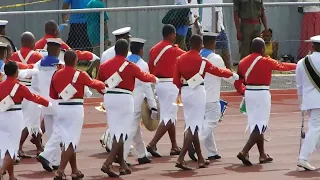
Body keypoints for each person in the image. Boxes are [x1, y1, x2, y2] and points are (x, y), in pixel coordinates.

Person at [173, 34, 238, 170]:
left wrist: (181, 92)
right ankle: (180, 158)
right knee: (194, 126)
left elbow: (175, 80)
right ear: (200, 45)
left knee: (193, 123)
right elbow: (219, 71)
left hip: (185, 92)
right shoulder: (203, 61)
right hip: (198, 93)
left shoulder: (180, 59)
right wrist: (233, 75)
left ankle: (201, 158)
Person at [98, 39, 158, 178]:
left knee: (115, 131)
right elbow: (144, 77)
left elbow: (100, 82)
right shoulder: (130, 66)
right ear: (126, 51)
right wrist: (155, 79)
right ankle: (108, 163)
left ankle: (122, 165)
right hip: (125, 99)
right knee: (123, 133)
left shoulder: (105, 65)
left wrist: (105, 94)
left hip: (110, 98)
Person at [233, 37, 296, 166]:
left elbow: (238, 81)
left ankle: (262, 155)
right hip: (262, 93)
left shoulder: (243, 62)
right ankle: (244, 151)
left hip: (249, 93)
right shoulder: (266, 61)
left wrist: (242, 91)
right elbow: (282, 66)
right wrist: (299, 65)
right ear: (262, 49)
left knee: (255, 124)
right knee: (261, 124)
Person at [49, 50, 106, 179]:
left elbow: (52, 95)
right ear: (75, 61)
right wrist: (103, 84)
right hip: (75, 109)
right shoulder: (80, 74)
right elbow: (93, 83)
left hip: (61, 108)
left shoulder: (56, 75)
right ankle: (60, 171)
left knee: (68, 140)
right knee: (71, 141)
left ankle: (74, 170)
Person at [188, 31, 235, 161]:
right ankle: (194, 142)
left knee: (206, 122)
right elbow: (226, 75)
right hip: (211, 95)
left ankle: (212, 151)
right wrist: (239, 81)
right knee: (212, 121)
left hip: (197, 94)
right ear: (213, 43)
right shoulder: (215, 58)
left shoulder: (197, 56)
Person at [0, 61, 51, 180]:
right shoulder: (20, 87)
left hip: (2, 116)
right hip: (14, 117)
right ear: (16, 72)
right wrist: (47, 103)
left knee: (5, 146)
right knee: (12, 148)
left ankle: (12, 176)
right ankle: (1, 171)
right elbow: (33, 97)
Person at [147, 24, 185, 157]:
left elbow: (151, 68)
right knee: (169, 116)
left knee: (169, 115)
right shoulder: (175, 51)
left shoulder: (153, 49)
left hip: (159, 84)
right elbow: (188, 58)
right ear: (171, 34)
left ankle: (174, 145)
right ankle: (152, 143)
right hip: (171, 85)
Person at [99, 27, 134, 155]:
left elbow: (101, 75)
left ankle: (114, 143)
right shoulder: (129, 55)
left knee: (114, 120)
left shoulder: (106, 54)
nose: (129, 40)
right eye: (127, 38)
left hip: (109, 92)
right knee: (124, 121)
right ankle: (115, 146)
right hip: (125, 93)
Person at [10, 31, 44, 158]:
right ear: (30, 42)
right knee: (30, 119)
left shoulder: (13, 56)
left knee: (30, 119)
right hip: (31, 90)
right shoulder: (37, 56)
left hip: (16, 90)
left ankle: (39, 146)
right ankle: (18, 147)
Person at [123, 37, 157, 165]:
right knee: (131, 129)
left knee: (135, 128)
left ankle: (142, 154)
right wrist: (153, 106)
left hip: (125, 97)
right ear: (141, 50)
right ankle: (123, 157)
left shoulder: (125, 61)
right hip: (137, 99)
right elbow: (147, 86)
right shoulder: (142, 64)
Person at [35, 38, 65, 172]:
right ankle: (48, 155)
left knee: (51, 131)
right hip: (58, 101)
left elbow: (35, 85)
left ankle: (55, 160)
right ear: (58, 50)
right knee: (61, 131)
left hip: (44, 101)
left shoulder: (38, 64)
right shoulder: (61, 65)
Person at [35, 20, 99, 78]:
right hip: (58, 76)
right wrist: (91, 56)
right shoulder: (59, 43)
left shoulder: (37, 45)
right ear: (55, 31)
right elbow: (73, 54)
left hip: (40, 76)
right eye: (58, 29)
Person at [296, 35, 320, 170]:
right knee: (315, 128)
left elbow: (299, 85)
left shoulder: (301, 62)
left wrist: (301, 102)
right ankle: (303, 158)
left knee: (317, 129)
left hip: (309, 101)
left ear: (313, 46)